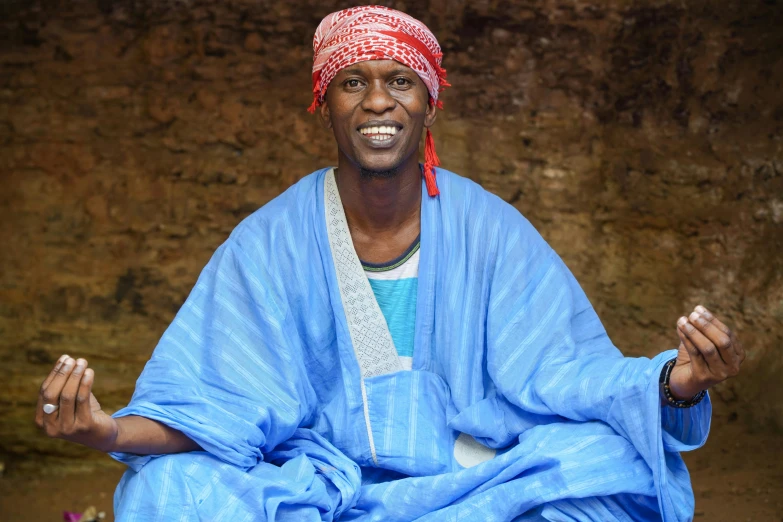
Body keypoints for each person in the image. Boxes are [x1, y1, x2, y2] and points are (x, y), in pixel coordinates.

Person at [35, 6, 744, 521]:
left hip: (470, 484)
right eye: (353, 82)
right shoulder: (270, 240)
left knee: (614, 467)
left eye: (400, 81)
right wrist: (102, 431)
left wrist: (674, 384)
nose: (378, 100)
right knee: (164, 493)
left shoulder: (489, 230)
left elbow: (565, 370)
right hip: (314, 486)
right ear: (325, 104)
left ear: (428, 103)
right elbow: (216, 403)